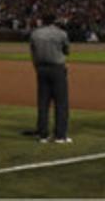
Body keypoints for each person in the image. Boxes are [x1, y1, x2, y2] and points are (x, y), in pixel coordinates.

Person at [29, 13, 71, 143]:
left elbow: (33, 52)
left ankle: (42, 135)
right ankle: (60, 135)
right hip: (57, 68)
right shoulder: (61, 33)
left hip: (41, 68)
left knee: (43, 102)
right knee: (61, 103)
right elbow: (67, 50)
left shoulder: (35, 34)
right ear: (54, 21)